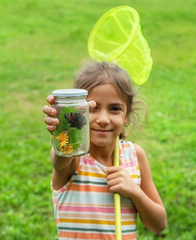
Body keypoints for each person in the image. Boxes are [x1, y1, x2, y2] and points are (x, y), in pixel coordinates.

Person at [43, 62, 167, 239]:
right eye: (93, 109)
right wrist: (61, 128)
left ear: (127, 115)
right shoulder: (73, 156)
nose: (103, 119)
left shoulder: (135, 155)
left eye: (115, 109)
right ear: (77, 112)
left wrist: (135, 192)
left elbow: (159, 225)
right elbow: (60, 158)